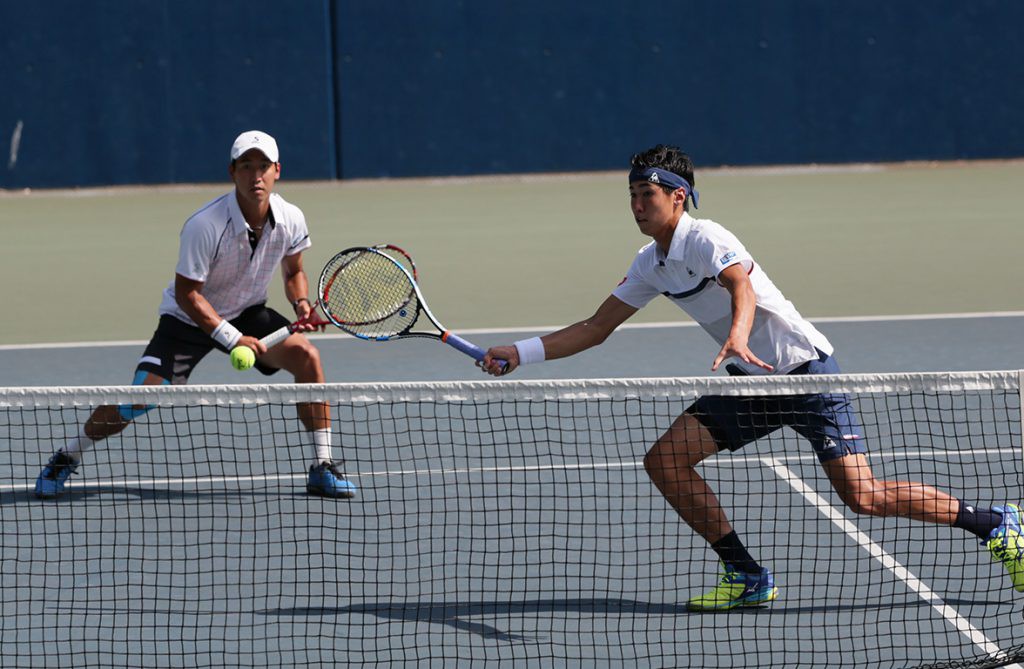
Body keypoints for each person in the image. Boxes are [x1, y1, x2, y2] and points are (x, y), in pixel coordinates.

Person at [478, 144, 1024, 610]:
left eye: (648, 194)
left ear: (678, 196)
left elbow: (740, 285)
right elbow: (596, 327)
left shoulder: (706, 236)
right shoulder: (650, 263)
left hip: (806, 374)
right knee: (665, 461)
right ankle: (746, 576)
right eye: (632, 196)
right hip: (751, 383)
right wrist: (520, 353)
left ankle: (995, 523)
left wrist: (738, 335)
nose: (638, 205)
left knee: (864, 496)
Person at [34, 130, 356, 500]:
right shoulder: (206, 225)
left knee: (307, 358)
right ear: (232, 171)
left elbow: (294, 271)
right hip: (187, 320)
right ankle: (67, 456)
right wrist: (232, 338)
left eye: (263, 166)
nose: (256, 176)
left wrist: (300, 305)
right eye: (247, 166)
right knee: (139, 397)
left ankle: (322, 466)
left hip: (247, 312)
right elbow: (188, 295)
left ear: (277, 171)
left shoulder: (291, 219)